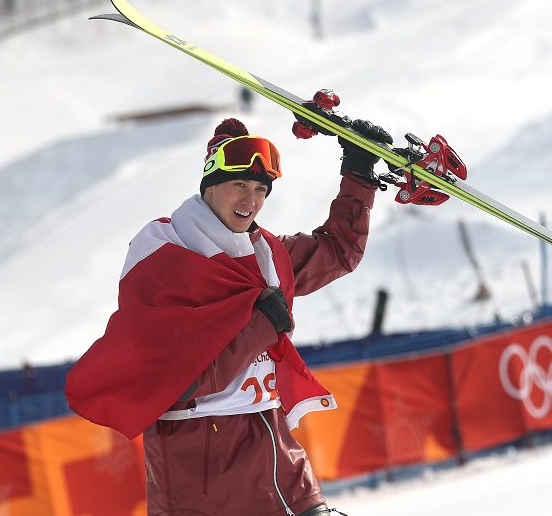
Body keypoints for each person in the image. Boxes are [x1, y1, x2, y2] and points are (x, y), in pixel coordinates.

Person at [66, 115, 392, 515]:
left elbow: (338, 252)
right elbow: (175, 383)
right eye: (239, 184)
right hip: (202, 468)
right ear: (209, 186)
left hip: (274, 448)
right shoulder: (164, 259)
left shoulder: (264, 254)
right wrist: (261, 326)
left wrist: (357, 175)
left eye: (260, 189)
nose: (250, 200)